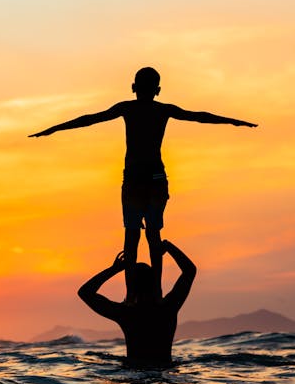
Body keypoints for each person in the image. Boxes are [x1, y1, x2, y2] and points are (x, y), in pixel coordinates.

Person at [30, 66, 255, 298]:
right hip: (155, 179)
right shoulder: (162, 110)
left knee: (132, 238)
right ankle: (155, 292)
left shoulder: (127, 108)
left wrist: (53, 129)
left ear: (133, 87)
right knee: (152, 236)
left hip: (136, 180)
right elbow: (200, 116)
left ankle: (131, 296)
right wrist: (235, 122)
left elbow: (89, 120)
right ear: (158, 90)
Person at [77, 239, 197, 366]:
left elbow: (85, 292)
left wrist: (115, 269)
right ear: (155, 284)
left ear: (131, 287)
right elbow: (190, 271)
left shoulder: (127, 314)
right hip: (164, 370)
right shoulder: (168, 308)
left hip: (134, 373)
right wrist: (168, 246)